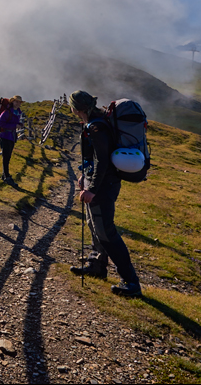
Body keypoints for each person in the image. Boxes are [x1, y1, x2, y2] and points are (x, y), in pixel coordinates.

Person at [67, 90, 142, 297]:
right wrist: (85, 177)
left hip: (104, 186)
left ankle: (131, 282)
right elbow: (95, 159)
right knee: (94, 225)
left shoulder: (97, 126)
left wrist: (91, 189)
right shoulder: (96, 122)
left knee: (106, 231)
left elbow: (103, 161)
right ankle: (97, 265)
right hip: (100, 182)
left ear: (77, 108)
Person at [0, 95, 24, 185]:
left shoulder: (17, 112)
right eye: (16, 101)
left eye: (19, 102)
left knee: (8, 156)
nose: (18, 103)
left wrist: (18, 124)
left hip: (11, 136)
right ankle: (7, 176)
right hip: (5, 136)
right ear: (12, 102)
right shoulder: (7, 112)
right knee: (6, 157)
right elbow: (1, 123)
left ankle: (5, 175)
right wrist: (15, 126)